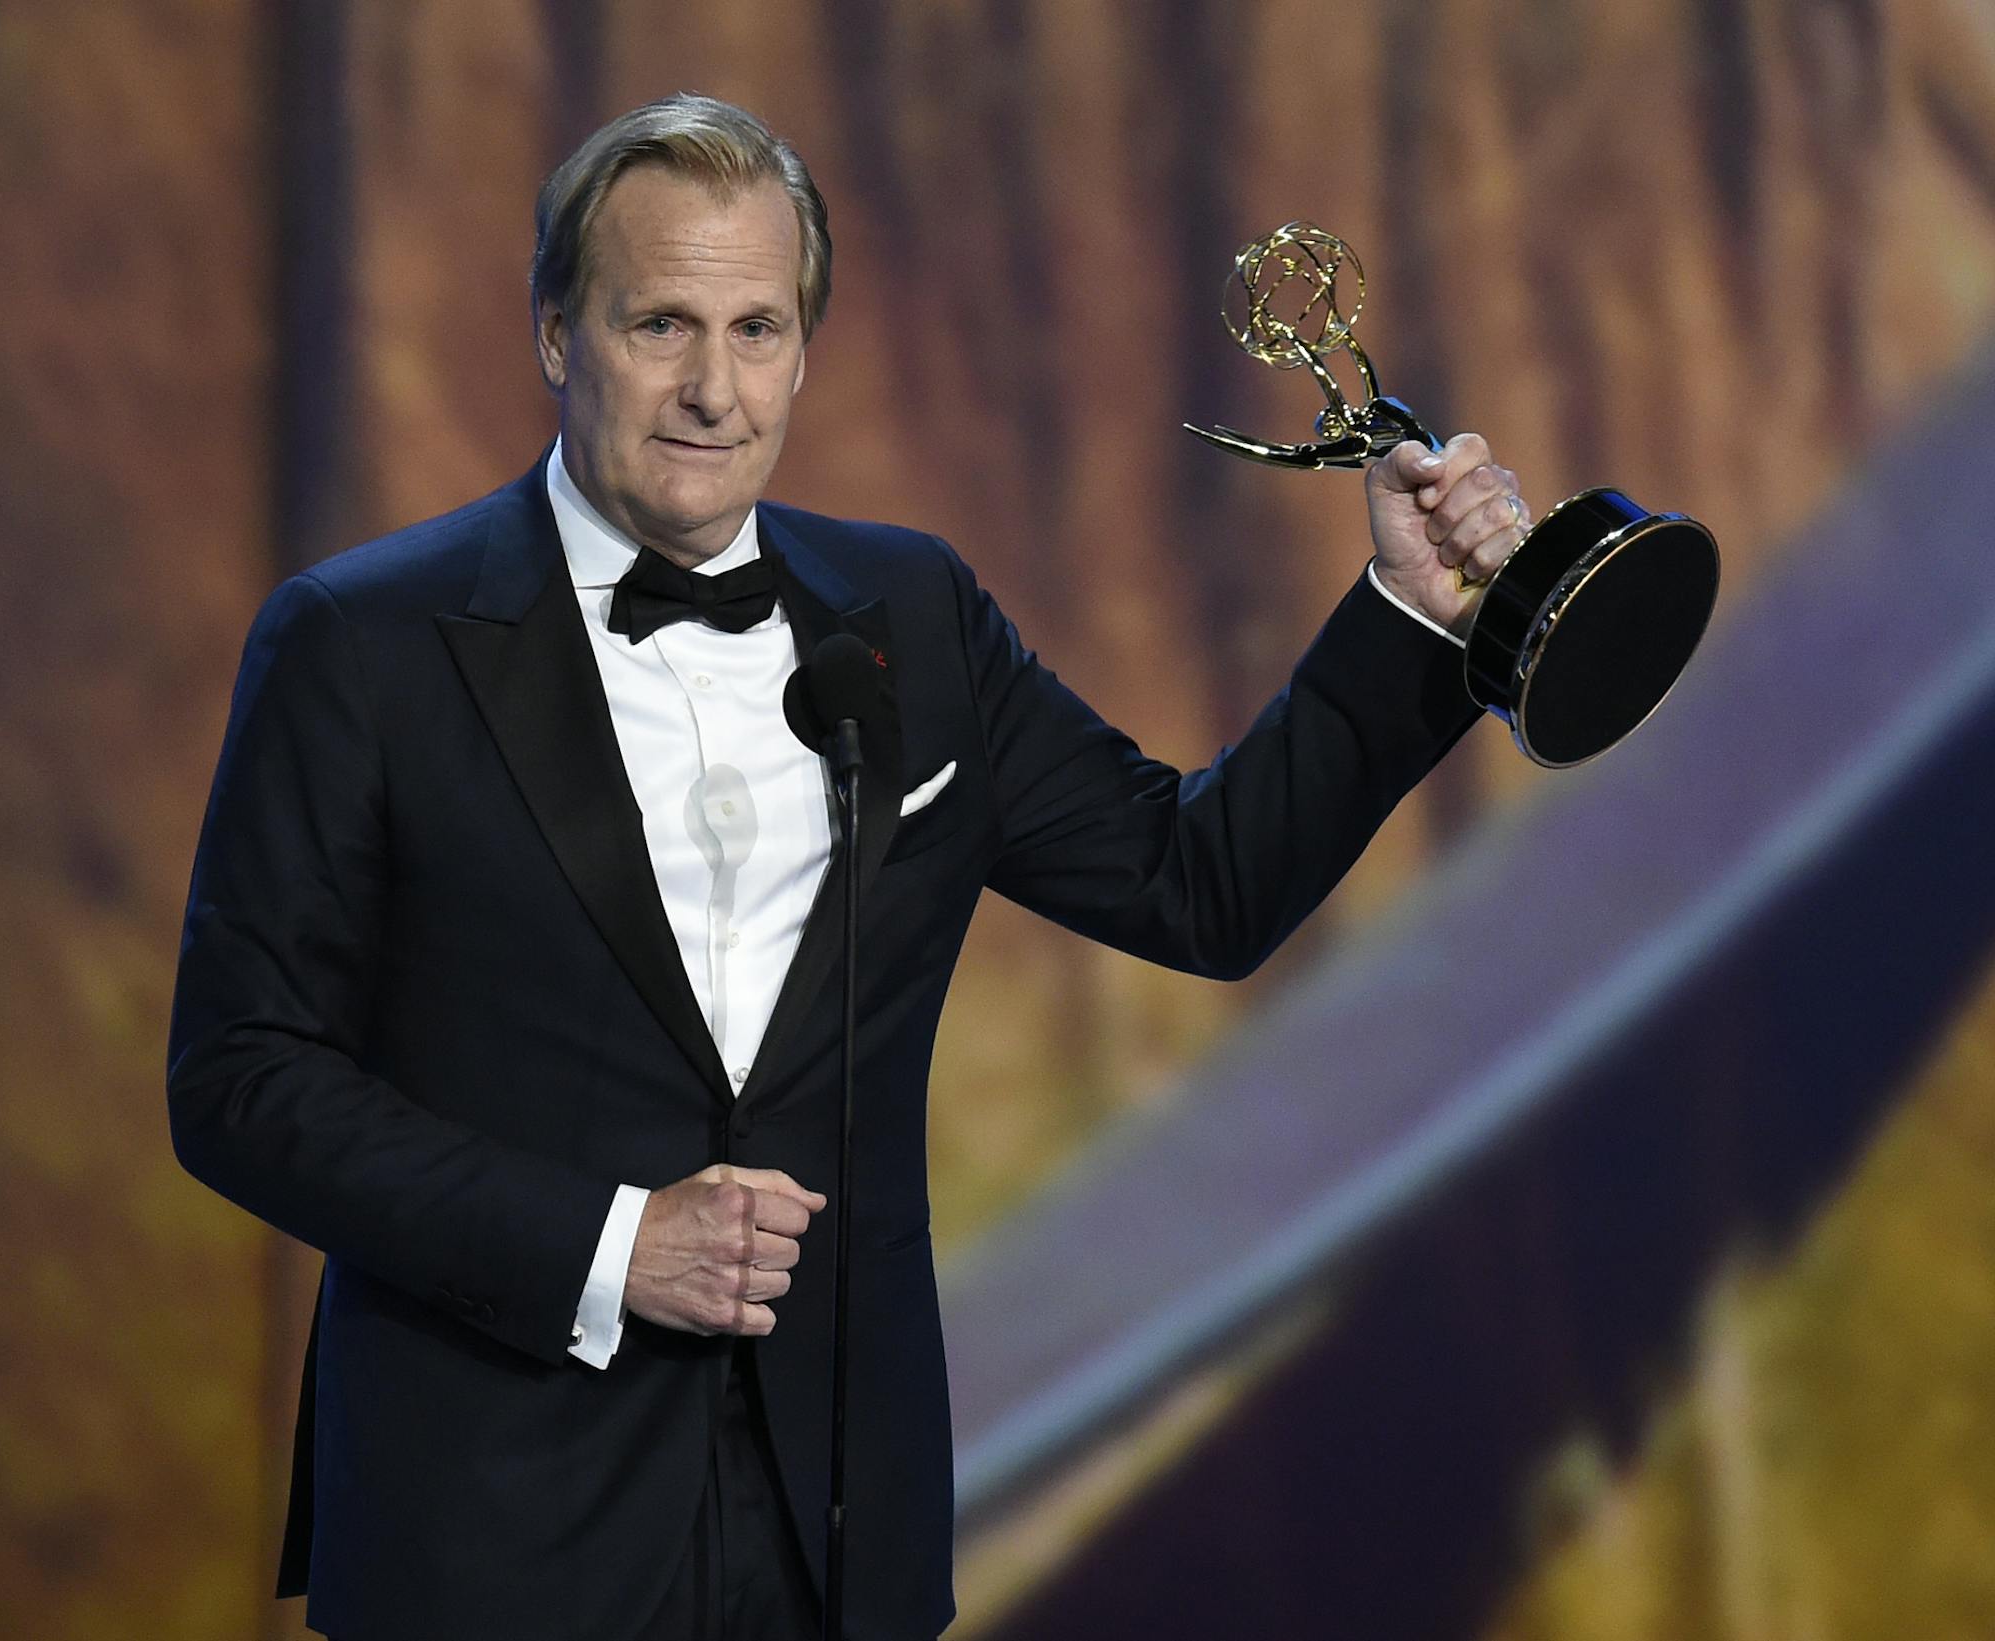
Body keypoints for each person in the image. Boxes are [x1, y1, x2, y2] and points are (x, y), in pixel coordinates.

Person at [167, 93, 1532, 1641]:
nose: (712, 390)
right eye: (659, 324)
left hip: (839, 1540)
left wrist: (1410, 618)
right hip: (492, 1537)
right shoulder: (360, 643)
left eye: (757, 328)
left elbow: (1194, 881)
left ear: (806, 348)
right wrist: (615, 1243)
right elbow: (241, 1078)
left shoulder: (914, 613)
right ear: (557, 333)